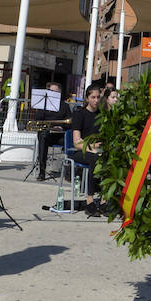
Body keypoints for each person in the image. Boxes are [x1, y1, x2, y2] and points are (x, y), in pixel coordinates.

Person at [68, 84, 103, 216]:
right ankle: (90, 200)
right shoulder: (80, 114)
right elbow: (77, 142)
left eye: (98, 97)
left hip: (98, 150)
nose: (96, 100)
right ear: (87, 98)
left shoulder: (102, 115)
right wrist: (91, 148)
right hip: (81, 151)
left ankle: (104, 200)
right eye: (93, 97)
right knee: (95, 159)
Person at [34, 81, 72, 181]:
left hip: (59, 136)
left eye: (55, 92)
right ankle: (42, 171)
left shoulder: (65, 106)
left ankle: (70, 171)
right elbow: (37, 119)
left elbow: (70, 122)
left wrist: (62, 127)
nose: (52, 94)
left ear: (60, 93)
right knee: (42, 137)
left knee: (71, 141)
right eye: (50, 91)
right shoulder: (43, 105)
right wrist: (41, 108)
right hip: (47, 135)